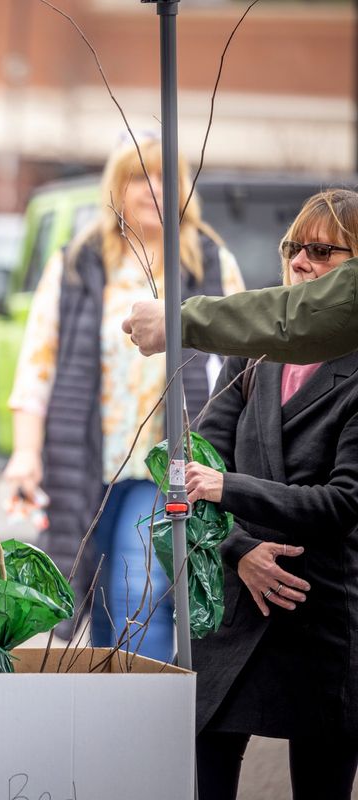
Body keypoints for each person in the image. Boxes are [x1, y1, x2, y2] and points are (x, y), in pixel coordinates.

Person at [0, 136, 244, 660]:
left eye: (163, 176)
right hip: (85, 463)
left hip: (164, 464)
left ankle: (144, 713)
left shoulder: (209, 262)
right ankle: (113, 708)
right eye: (139, 176)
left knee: (141, 588)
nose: (152, 188)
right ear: (117, 186)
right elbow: (37, 365)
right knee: (97, 596)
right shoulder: (78, 263)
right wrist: (25, 454)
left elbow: (236, 369)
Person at [187, 189, 358, 800]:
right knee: (205, 769)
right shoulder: (252, 350)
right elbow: (194, 471)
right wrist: (240, 551)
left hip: (320, 609)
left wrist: (231, 488)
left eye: (322, 251)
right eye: (294, 249)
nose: (301, 263)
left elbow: (343, 502)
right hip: (238, 599)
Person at [122, 253, 358, 364]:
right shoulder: (251, 359)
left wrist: (175, 320)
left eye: (320, 250)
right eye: (292, 247)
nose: (296, 261)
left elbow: (298, 317)